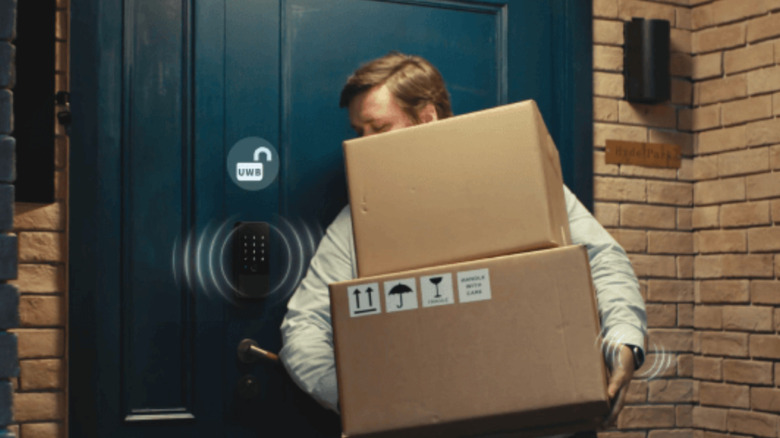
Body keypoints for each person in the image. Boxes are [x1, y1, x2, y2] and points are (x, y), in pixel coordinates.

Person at [279, 52, 647, 430]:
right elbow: (304, 327)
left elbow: (604, 259)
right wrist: (361, 400)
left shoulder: (518, 178)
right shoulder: (357, 221)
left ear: (426, 116)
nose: (360, 146)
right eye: (358, 133)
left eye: (378, 128)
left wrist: (623, 341)